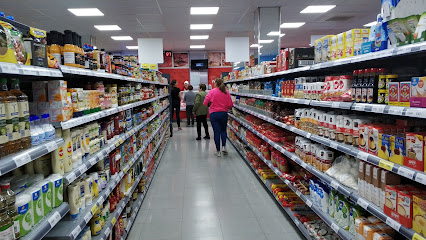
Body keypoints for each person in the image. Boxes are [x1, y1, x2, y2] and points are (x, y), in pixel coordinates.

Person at [203, 78, 233, 157]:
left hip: (214, 114)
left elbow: (205, 102)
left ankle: (218, 151)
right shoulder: (226, 92)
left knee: (216, 132)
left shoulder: (212, 91)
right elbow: (230, 105)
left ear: (216, 83)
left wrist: (210, 104)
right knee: (223, 130)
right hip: (223, 113)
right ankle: (224, 147)